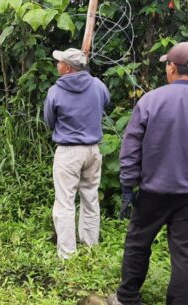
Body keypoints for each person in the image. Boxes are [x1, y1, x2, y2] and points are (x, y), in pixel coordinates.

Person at [107, 42, 188, 305]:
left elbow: (131, 149)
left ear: (172, 67)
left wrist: (128, 189)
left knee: (138, 244)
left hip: (153, 193)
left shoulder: (150, 101)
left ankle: (127, 298)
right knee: (185, 254)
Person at [43, 48, 110, 259]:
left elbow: (49, 122)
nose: (57, 64)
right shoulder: (98, 86)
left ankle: (67, 255)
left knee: (65, 203)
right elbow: (105, 104)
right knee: (90, 199)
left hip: (69, 152)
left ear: (68, 68)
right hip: (93, 151)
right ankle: (91, 248)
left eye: (60, 62)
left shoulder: (55, 91)